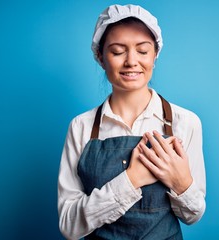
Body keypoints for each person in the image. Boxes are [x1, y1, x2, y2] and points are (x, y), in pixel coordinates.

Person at [58, 4, 206, 240]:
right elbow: (69, 225)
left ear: (155, 54)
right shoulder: (81, 127)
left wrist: (181, 183)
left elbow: (193, 215)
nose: (131, 61)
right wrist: (131, 179)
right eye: (117, 51)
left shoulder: (185, 122)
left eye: (143, 51)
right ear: (100, 57)